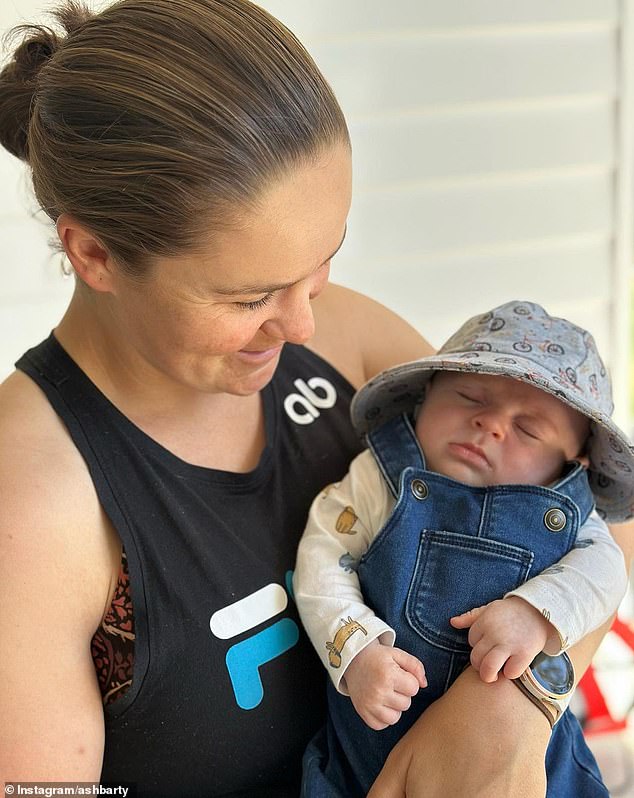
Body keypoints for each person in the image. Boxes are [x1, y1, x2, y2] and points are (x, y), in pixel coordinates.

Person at [0, 1, 631, 796]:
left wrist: (510, 703)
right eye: (250, 295)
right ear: (92, 252)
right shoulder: (26, 511)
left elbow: (601, 516)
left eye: (323, 262)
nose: (300, 323)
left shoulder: (346, 339)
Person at [294, 300, 633, 797]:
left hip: (522, 764)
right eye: (470, 397)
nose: (491, 425)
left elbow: (604, 575)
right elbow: (323, 558)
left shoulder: (572, 514)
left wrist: (536, 614)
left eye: (528, 429)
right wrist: (358, 649)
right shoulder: (378, 477)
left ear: (573, 462)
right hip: (365, 750)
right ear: (425, 396)